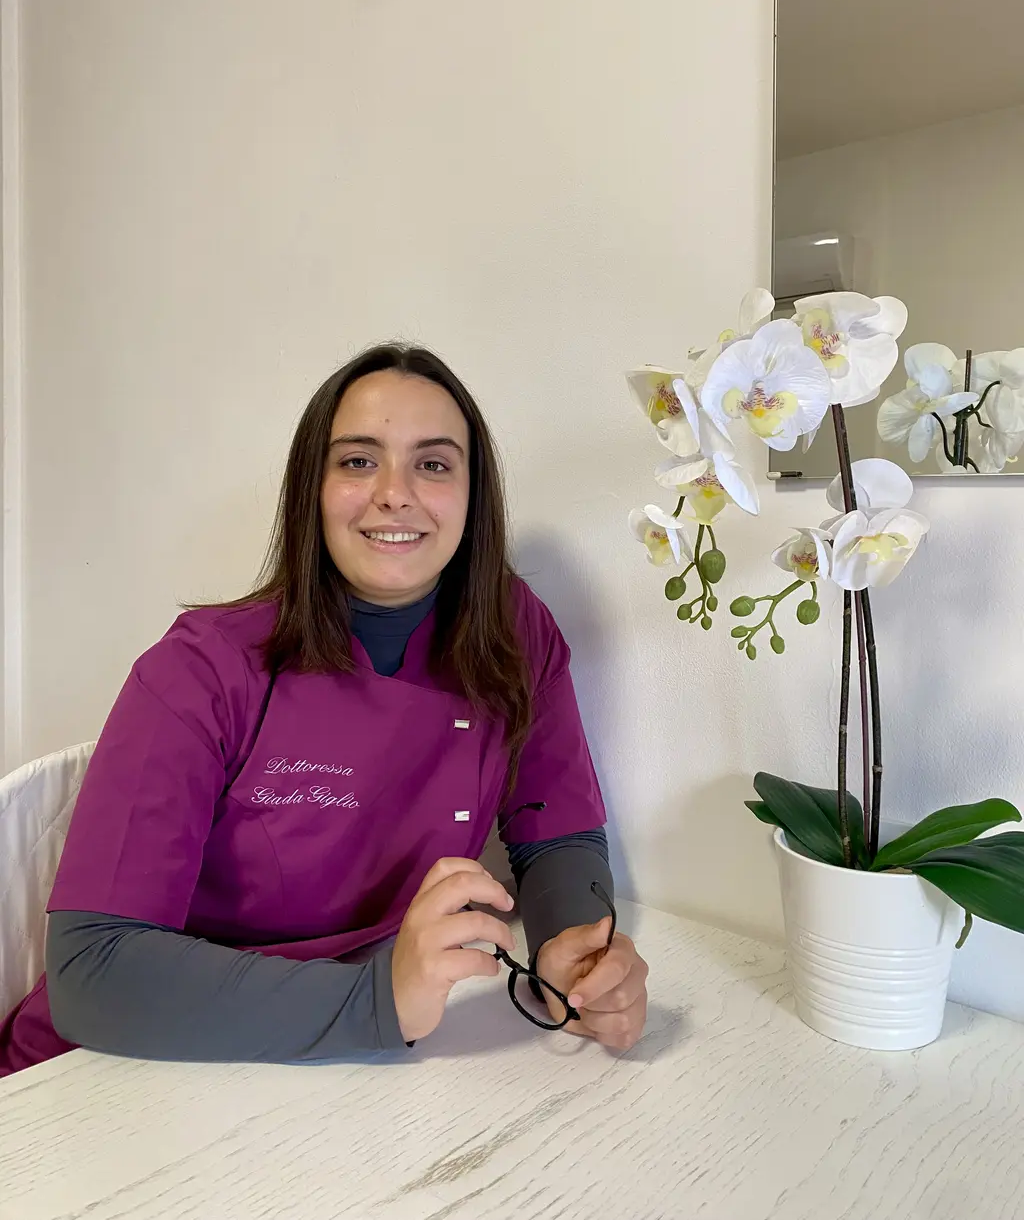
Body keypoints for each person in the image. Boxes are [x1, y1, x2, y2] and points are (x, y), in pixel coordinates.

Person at [0, 344, 648, 1075]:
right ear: (312, 487)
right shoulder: (200, 669)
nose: (394, 493)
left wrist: (571, 950)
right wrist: (375, 1000)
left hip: (344, 1077)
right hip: (107, 1073)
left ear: (474, 496)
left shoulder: (513, 631)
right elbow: (94, 970)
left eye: (434, 464)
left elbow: (556, 830)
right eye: (358, 461)